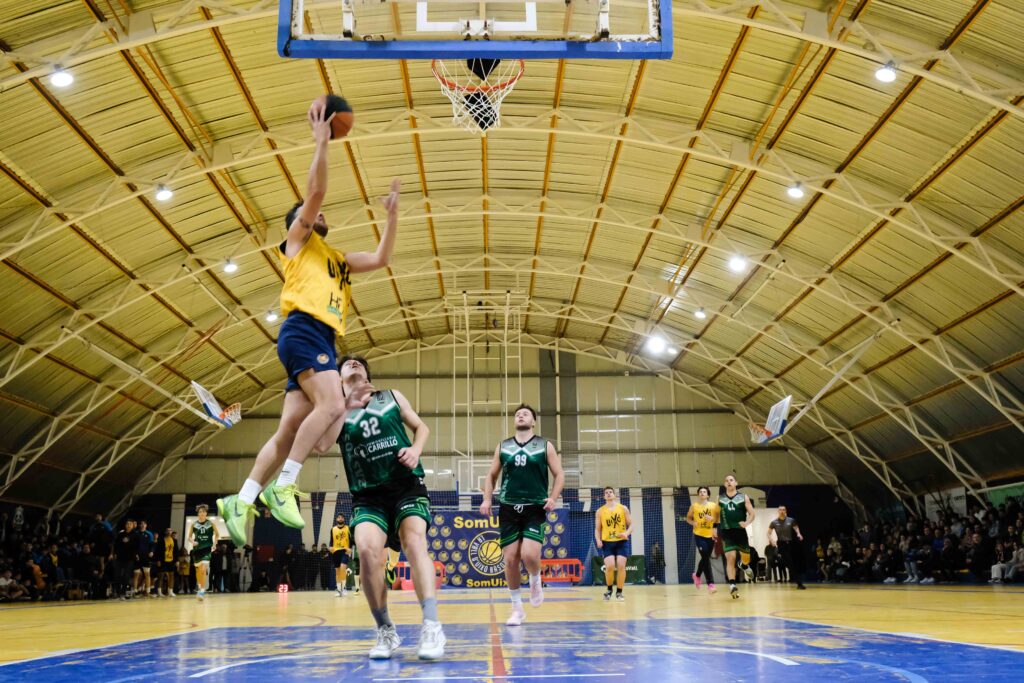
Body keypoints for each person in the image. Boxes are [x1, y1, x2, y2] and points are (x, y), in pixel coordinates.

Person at [217, 103, 401, 548]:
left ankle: (241, 499)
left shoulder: (337, 258)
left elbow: (381, 258)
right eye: (310, 211)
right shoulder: (297, 241)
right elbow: (315, 191)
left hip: (316, 336)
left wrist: (392, 217)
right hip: (304, 329)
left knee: (287, 432)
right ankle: (285, 485)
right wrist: (322, 142)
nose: (318, 212)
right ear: (299, 222)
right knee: (334, 404)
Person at [326, 355, 446, 660]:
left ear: (367, 374)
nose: (353, 363)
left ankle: (432, 625)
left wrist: (416, 449)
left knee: (414, 541)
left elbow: (421, 427)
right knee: (367, 552)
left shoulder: (390, 396)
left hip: (405, 485)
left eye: (358, 362)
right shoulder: (336, 410)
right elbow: (321, 444)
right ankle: (385, 630)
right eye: (347, 363)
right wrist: (342, 405)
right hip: (368, 496)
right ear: (338, 378)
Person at [480, 404, 565, 626]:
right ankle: (517, 609)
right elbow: (491, 475)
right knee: (510, 560)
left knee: (529, 555)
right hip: (509, 507)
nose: (520, 415)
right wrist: (487, 499)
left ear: (533, 422)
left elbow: (559, 474)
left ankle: (535, 579)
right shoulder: (503, 446)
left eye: (525, 413)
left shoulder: (544, 445)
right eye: (518, 414)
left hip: (534, 506)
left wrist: (553, 497)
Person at [718, 475, 755, 599]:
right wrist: (713, 527)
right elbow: (716, 515)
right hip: (726, 532)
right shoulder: (720, 498)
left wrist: (747, 523)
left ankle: (744, 565)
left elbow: (752, 513)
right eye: (726, 480)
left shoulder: (743, 497)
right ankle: (732, 585)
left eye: (731, 480)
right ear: (724, 484)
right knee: (731, 558)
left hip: (740, 532)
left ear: (736, 483)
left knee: (746, 558)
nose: (729, 482)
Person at [595, 486, 633, 602]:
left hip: (621, 541)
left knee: (621, 565)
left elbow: (631, 525)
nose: (608, 494)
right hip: (607, 542)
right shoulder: (600, 511)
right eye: (606, 492)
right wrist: (598, 540)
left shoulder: (623, 508)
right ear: (604, 496)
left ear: (614, 495)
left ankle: (619, 592)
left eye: (610, 492)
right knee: (610, 566)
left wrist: (626, 533)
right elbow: (597, 529)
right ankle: (609, 590)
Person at [686, 486, 719, 594]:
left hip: (710, 535)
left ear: (708, 495)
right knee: (705, 557)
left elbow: (718, 520)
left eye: (704, 491)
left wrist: (712, 519)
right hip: (699, 535)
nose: (702, 493)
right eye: (700, 491)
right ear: (698, 494)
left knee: (705, 558)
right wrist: (693, 522)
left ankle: (697, 575)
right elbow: (688, 518)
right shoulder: (694, 506)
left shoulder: (713, 506)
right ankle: (711, 584)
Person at [768, 506, 806, 590]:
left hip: (790, 544)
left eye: (783, 510)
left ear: (786, 511)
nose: (782, 511)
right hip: (781, 544)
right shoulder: (774, 522)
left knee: (793, 563)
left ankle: (798, 581)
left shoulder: (791, 520)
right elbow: (768, 533)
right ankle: (799, 583)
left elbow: (796, 527)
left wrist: (799, 534)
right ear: (778, 511)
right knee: (789, 563)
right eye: (780, 510)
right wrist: (771, 540)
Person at [188, 504, 218, 601]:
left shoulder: (211, 524)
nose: (202, 513)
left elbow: (217, 535)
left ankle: (202, 591)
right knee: (198, 570)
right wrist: (193, 542)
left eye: (203, 512)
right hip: (197, 550)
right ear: (198, 514)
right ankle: (200, 586)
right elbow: (189, 537)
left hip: (207, 549)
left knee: (203, 569)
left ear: (206, 513)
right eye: (200, 512)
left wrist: (215, 543)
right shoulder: (194, 524)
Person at [112, 518, 137, 600]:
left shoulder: (135, 535)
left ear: (133, 526)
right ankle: (117, 593)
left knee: (126, 576)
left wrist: (135, 555)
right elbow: (116, 544)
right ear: (125, 525)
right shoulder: (121, 534)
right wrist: (115, 553)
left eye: (130, 524)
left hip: (129, 559)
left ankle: (123, 593)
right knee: (117, 575)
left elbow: (137, 547)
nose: (128, 525)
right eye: (127, 524)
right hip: (119, 557)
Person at [331, 513, 352, 596]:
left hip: (345, 551)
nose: (340, 518)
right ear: (337, 519)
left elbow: (351, 540)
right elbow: (331, 541)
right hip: (336, 552)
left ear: (344, 519)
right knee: (338, 572)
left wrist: (350, 548)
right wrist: (330, 547)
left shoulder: (348, 528)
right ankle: (339, 590)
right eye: (339, 517)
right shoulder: (333, 529)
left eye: (342, 517)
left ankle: (344, 588)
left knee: (343, 568)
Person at [133, 520, 156, 598]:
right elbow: (134, 545)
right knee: (136, 575)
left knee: (147, 574)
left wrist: (151, 551)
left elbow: (152, 544)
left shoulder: (149, 534)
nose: (142, 525)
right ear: (139, 525)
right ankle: (135, 592)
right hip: (137, 557)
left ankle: (147, 591)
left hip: (146, 557)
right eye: (141, 524)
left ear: (146, 525)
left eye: (144, 524)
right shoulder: (136, 533)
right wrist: (135, 554)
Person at [160, 529, 178, 597]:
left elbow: (176, 551)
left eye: (170, 530)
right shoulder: (162, 540)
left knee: (171, 576)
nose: (169, 531)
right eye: (168, 530)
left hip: (171, 560)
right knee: (161, 576)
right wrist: (158, 560)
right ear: (165, 532)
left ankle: (170, 591)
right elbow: (159, 551)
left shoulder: (174, 540)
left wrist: (176, 561)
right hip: (163, 560)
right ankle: (159, 592)